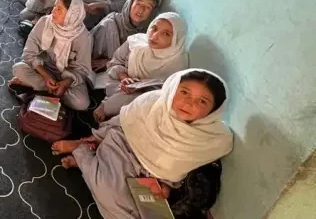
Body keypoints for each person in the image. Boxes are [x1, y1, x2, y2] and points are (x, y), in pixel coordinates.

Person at [53, 70, 233, 219]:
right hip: (124, 149)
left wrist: (167, 186)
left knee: (148, 214)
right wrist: (94, 138)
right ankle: (83, 153)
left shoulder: (212, 139)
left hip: (152, 177)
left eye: (202, 101)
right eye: (184, 92)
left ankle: (91, 164)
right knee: (112, 196)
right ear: (172, 89)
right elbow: (119, 123)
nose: (188, 102)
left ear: (214, 111)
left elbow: (182, 167)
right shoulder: (152, 102)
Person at [94, 12, 189, 122]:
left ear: (176, 39)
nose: (154, 36)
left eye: (166, 34)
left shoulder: (178, 62)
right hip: (120, 82)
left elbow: (167, 90)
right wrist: (124, 77)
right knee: (113, 96)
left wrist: (141, 84)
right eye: (154, 28)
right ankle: (108, 105)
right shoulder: (135, 42)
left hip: (145, 94)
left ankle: (113, 112)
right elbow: (115, 62)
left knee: (142, 104)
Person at [10, 0, 93, 111]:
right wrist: (46, 75)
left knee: (82, 103)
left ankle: (39, 86)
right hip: (44, 68)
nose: (54, 11)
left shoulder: (83, 37)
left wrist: (66, 83)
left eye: (59, 9)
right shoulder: (45, 22)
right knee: (18, 68)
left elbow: (82, 69)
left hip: (68, 76)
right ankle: (51, 89)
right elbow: (29, 52)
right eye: (55, 6)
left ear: (72, 15)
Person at [90, 0, 159, 71]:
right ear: (130, 5)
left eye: (148, 7)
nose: (141, 9)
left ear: (152, 13)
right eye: (138, 4)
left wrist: (108, 62)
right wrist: (112, 62)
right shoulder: (112, 22)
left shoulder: (146, 34)